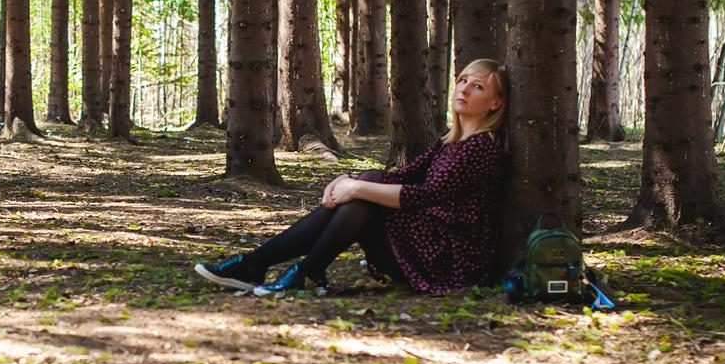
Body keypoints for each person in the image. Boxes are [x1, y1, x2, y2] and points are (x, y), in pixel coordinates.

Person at [195, 58, 510, 297]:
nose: (465, 89)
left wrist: (356, 186)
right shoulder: (451, 141)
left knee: (363, 199)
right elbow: (404, 175)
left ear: (495, 103)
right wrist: (349, 178)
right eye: (463, 80)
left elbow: (423, 194)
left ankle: (275, 267)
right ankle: (276, 267)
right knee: (367, 185)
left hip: (449, 260)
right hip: (426, 244)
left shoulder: (482, 147)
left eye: (478, 86)